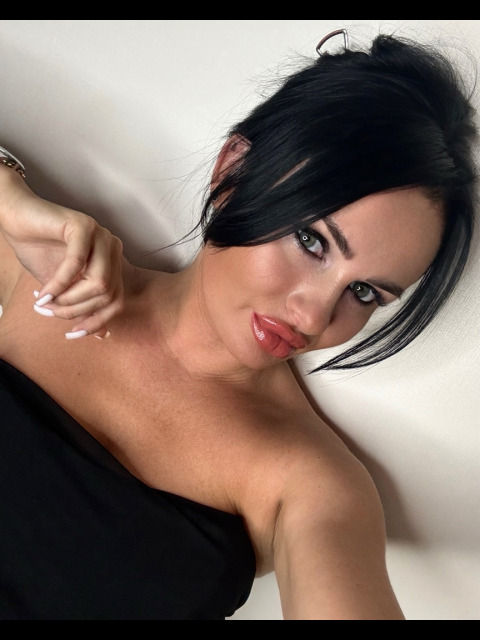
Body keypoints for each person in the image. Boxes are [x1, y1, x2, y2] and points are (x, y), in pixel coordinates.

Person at [0, 29, 477, 620]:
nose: (312, 317)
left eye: (364, 293)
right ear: (233, 170)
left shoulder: (305, 482)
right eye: (311, 241)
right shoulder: (52, 274)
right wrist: (9, 199)